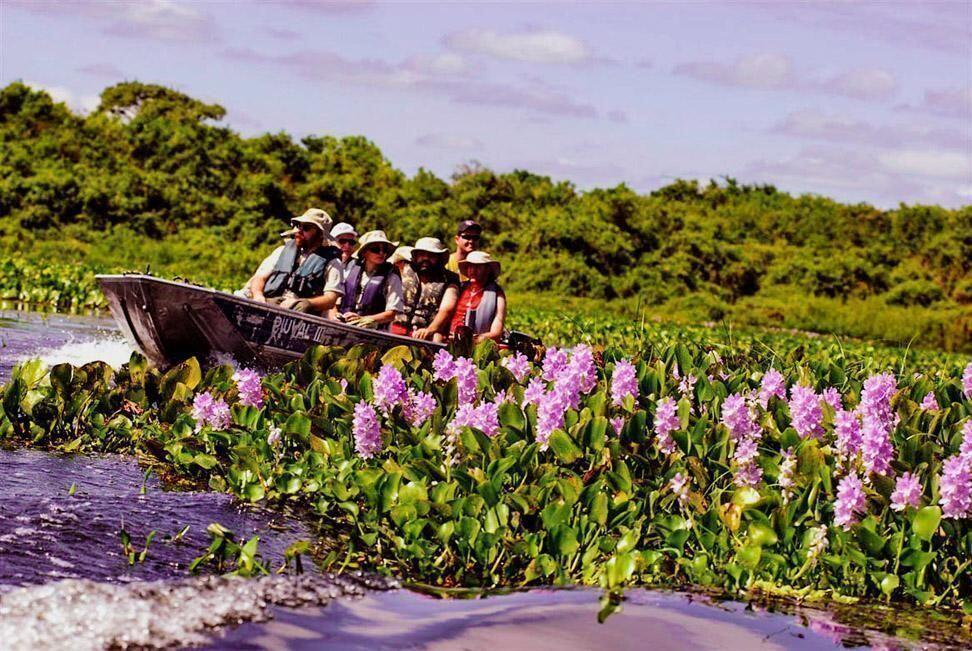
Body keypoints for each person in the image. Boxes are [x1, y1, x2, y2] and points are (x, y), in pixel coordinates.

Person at [245, 208, 343, 314]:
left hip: (301, 316)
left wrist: (307, 303)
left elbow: (330, 299)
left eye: (306, 228)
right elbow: (259, 278)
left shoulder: (333, 263)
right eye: (298, 225)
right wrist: (258, 295)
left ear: (320, 234)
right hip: (269, 304)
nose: (299, 231)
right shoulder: (282, 251)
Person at [324, 230, 404, 329]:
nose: (381, 253)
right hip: (342, 327)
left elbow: (391, 313)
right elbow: (334, 302)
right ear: (365, 252)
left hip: (374, 332)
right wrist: (335, 316)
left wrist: (363, 319)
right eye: (376, 249)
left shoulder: (392, 276)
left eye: (385, 250)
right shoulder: (349, 268)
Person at [391, 237, 459, 342]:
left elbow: (447, 309)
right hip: (396, 330)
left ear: (439, 258)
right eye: (422, 254)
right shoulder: (402, 269)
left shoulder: (450, 280)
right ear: (415, 257)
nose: (425, 258)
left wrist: (429, 330)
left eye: (431, 255)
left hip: (427, 335)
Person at [450, 251, 506, 344]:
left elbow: (496, 332)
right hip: (450, 339)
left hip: (477, 343)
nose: (473, 270)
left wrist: (473, 339)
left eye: (478, 267)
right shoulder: (459, 287)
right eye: (470, 266)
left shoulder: (497, 293)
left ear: (488, 270)